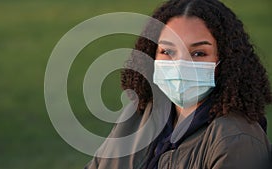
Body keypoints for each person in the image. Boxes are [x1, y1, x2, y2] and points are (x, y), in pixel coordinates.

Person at [85, 0, 272, 168]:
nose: (180, 64)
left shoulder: (236, 140)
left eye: (198, 53)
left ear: (226, 62)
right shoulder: (136, 115)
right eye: (167, 51)